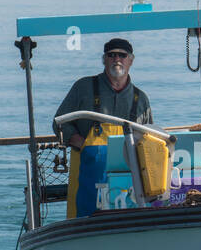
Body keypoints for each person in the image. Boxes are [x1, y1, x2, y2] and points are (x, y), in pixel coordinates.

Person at [52, 38, 155, 217]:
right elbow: (59, 123)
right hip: (86, 177)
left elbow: (150, 138)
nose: (117, 59)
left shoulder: (141, 99)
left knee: (131, 218)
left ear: (131, 60)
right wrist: (81, 143)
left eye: (122, 55)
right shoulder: (83, 87)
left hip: (129, 184)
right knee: (83, 220)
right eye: (111, 55)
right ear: (103, 59)